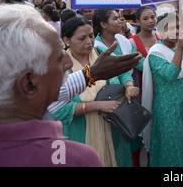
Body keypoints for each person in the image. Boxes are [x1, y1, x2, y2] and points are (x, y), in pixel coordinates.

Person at [0, 4, 103, 166]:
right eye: (59, 58)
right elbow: (61, 105)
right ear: (29, 84)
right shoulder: (73, 159)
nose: (68, 63)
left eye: (91, 36)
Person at [51, 18, 133, 167]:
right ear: (66, 40)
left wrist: (129, 85)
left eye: (91, 36)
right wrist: (95, 105)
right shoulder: (61, 65)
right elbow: (59, 109)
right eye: (82, 38)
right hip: (81, 131)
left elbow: (122, 70)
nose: (89, 41)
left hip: (113, 125)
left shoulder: (101, 54)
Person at [142, 13, 183, 166]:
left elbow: (182, 74)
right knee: (172, 147)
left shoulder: (180, 48)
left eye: (178, 27)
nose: (175, 31)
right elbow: (170, 74)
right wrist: (180, 49)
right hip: (168, 108)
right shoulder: (156, 53)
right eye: (170, 28)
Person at [92, 8, 144, 166]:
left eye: (120, 18)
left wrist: (129, 85)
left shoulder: (122, 40)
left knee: (131, 137)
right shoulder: (96, 47)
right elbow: (114, 70)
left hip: (128, 95)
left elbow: (133, 62)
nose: (120, 21)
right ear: (103, 24)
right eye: (115, 19)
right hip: (108, 101)